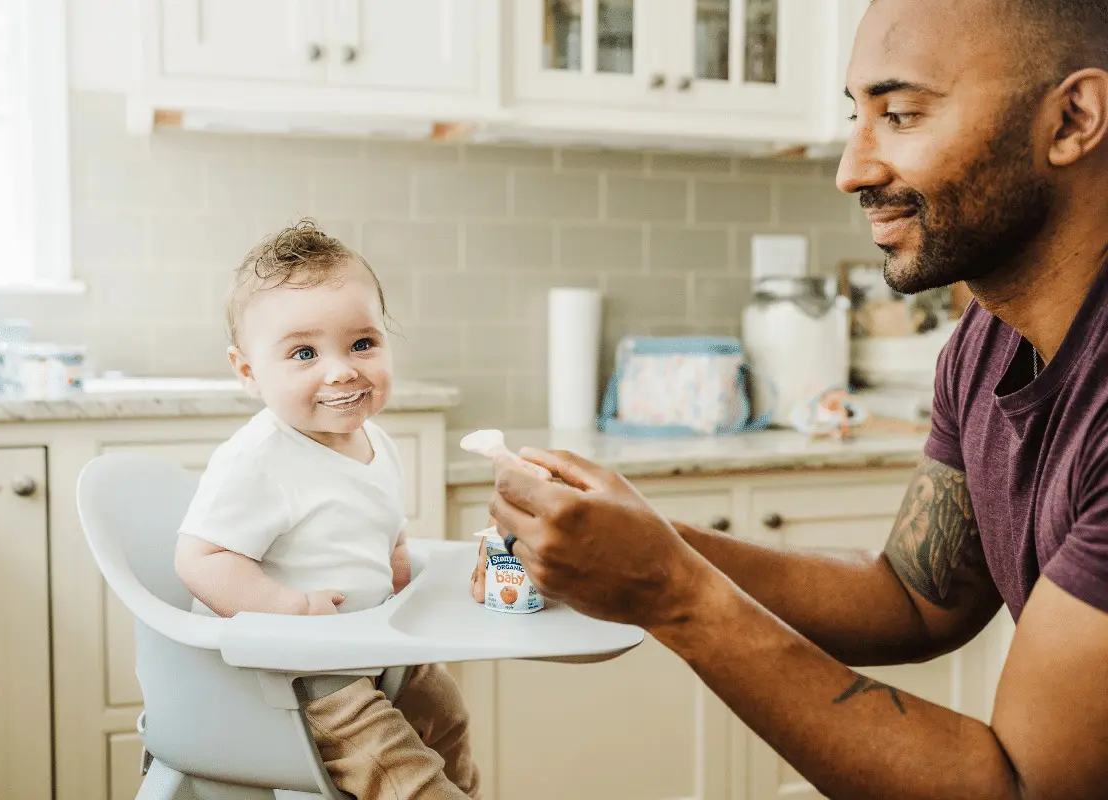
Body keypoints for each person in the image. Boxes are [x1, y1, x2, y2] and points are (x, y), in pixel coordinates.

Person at [481, 0, 1108, 797]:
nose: (852, 169)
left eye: (902, 114)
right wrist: (622, 543)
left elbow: (1021, 787)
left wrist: (673, 595)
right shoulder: (984, 346)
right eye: (858, 116)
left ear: (1073, 118)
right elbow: (915, 600)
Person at [175, 219, 481, 800]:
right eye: (304, 353)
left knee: (447, 715)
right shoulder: (259, 459)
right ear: (249, 372)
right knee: (404, 775)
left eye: (362, 343)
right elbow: (202, 559)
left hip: (370, 643)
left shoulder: (377, 441)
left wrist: (405, 591)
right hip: (302, 672)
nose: (341, 369)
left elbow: (385, 539)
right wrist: (290, 609)